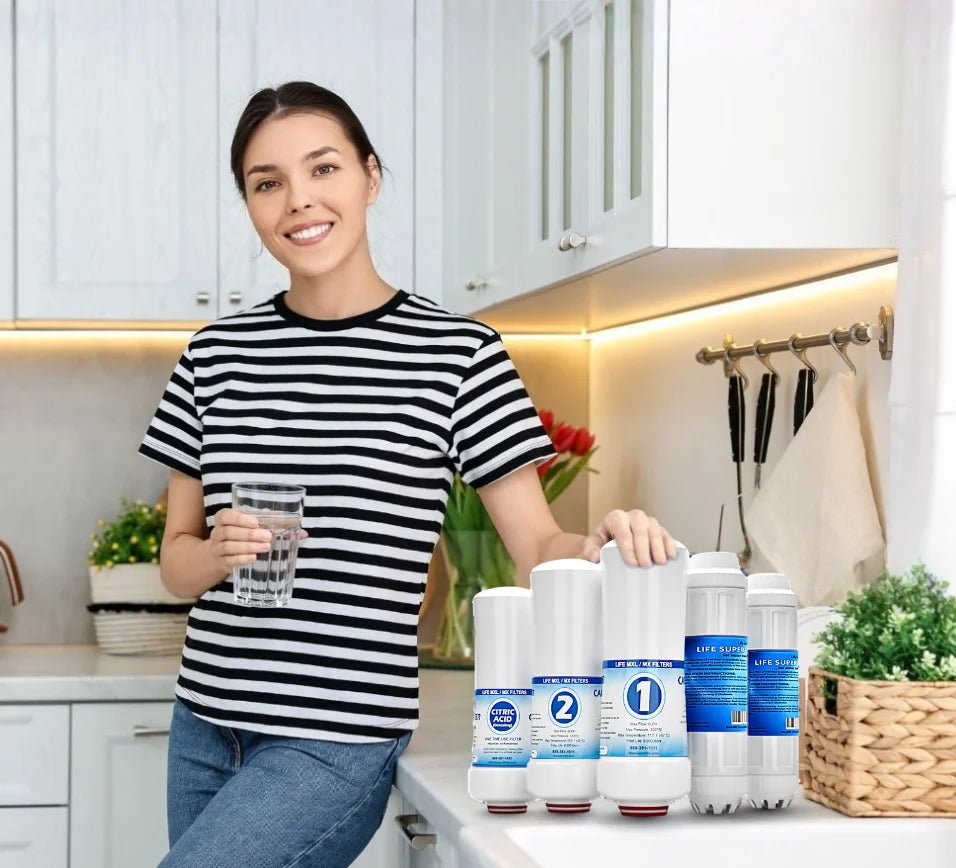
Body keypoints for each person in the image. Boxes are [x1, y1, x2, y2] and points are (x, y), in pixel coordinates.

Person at [140, 81, 677, 868]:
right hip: (204, 725)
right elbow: (173, 564)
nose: (298, 201)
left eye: (323, 169)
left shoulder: (458, 354)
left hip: (334, 740)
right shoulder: (214, 356)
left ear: (370, 177)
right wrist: (217, 552)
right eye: (268, 183)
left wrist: (600, 542)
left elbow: (536, 547)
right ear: (250, 205)